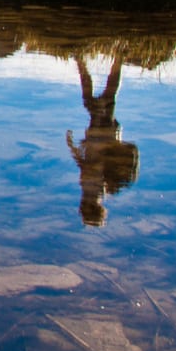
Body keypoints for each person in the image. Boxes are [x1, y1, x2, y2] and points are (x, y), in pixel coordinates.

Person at [65, 54, 139, 227]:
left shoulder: (100, 192)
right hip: (100, 135)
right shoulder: (94, 191)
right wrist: (75, 148)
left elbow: (86, 166)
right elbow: (90, 166)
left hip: (105, 135)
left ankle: (113, 61)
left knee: (104, 98)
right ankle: (89, 61)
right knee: (98, 99)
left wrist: (75, 148)